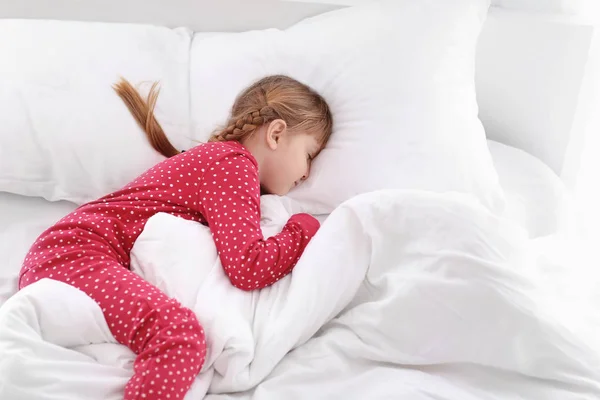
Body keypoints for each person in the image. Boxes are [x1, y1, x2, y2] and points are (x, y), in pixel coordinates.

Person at [18, 75, 333, 400]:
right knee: (179, 335)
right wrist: (304, 229)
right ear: (277, 133)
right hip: (74, 252)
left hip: (65, 255)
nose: (308, 173)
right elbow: (248, 265)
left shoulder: (218, 162)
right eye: (309, 154)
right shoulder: (232, 164)